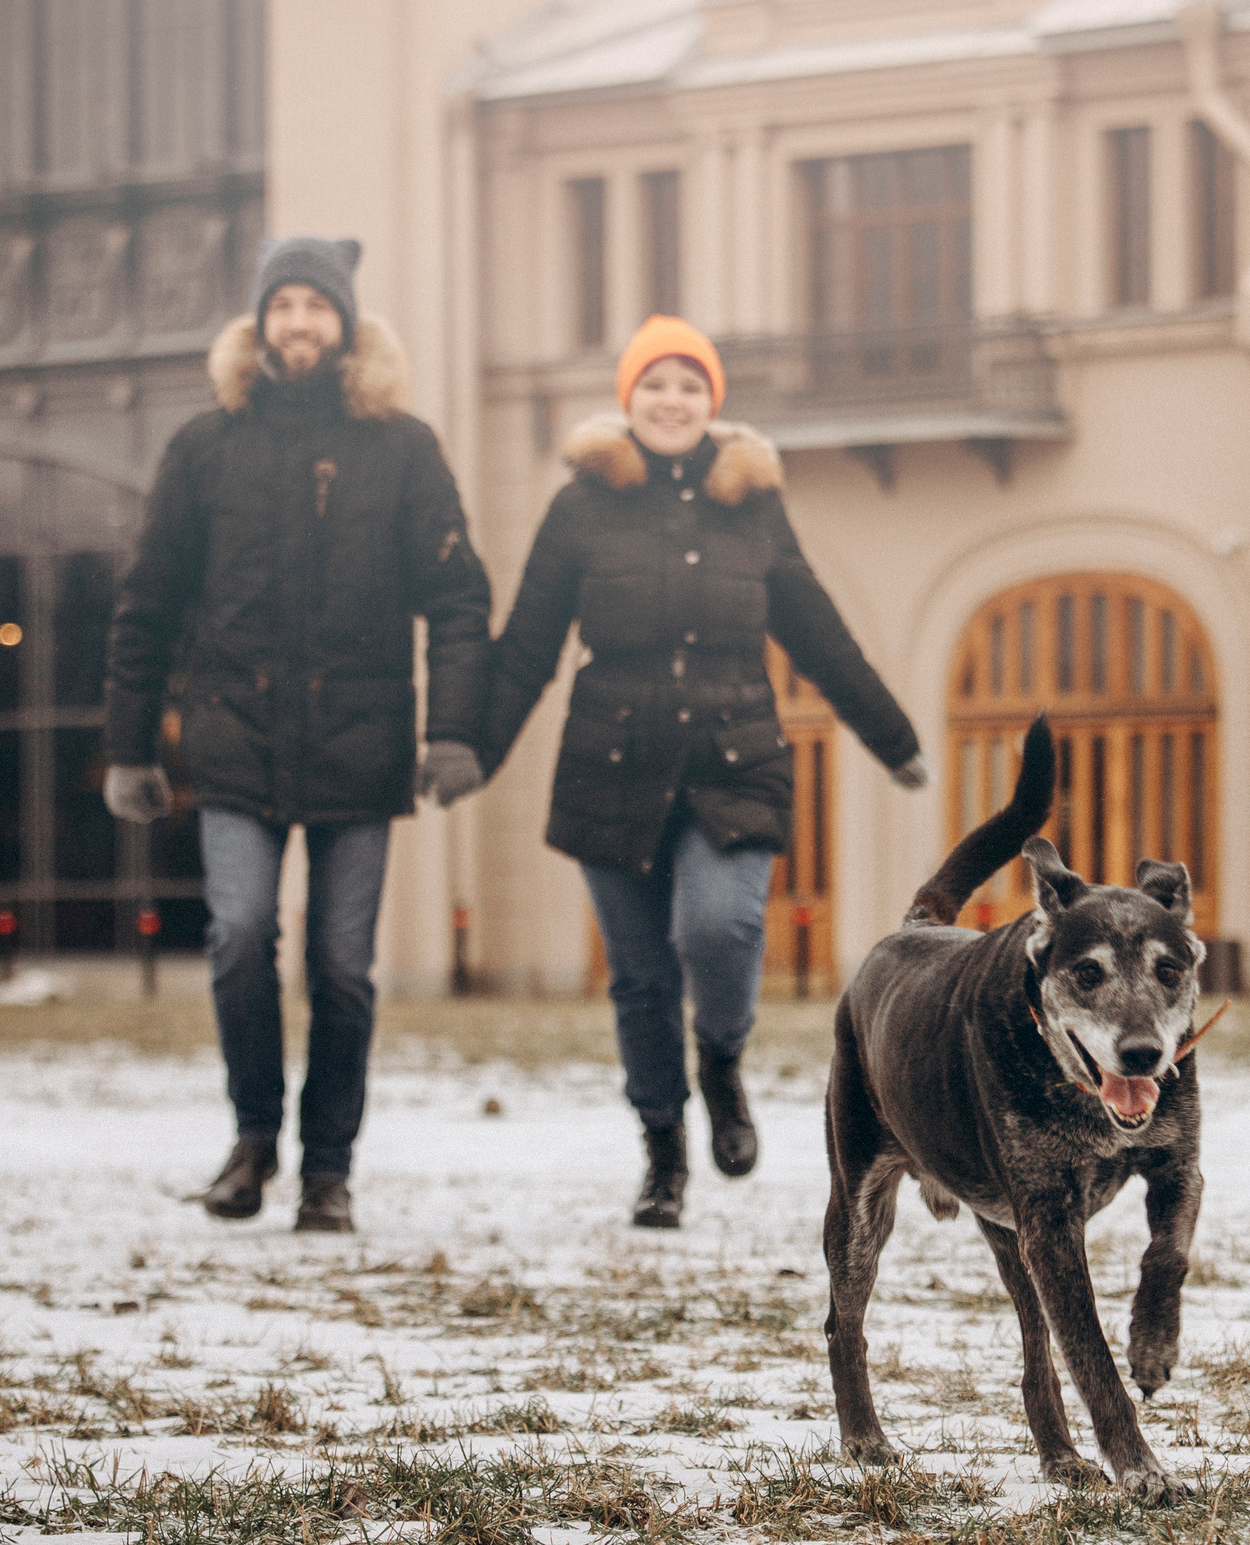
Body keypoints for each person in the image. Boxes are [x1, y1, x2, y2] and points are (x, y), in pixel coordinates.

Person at [484, 315, 926, 1230]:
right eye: (656, 384)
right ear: (629, 399)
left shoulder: (752, 504)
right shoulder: (580, 507)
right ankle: (663, 1154)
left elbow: (817, 629)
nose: (672, 400)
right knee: (640, 978)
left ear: (712, 404)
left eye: (690, 385)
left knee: (719, 929)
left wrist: (893, 736)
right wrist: (469, 745)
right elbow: (527, 641)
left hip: (735, 762)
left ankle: (721, 1059)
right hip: (612, 766)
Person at [102, 235, 492, 1234]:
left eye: (318, 308)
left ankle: (328, 1170)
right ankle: (251, 1141)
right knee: (238, 939)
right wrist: (130, 745)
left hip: (360, 749)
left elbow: (455, 596)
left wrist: (453, 731)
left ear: (346, 324)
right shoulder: (205, 447)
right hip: (235, 742)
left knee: (342, 967)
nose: (300, 325)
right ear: (260, 323)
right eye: (284, 308)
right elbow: (146, 603)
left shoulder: (402, 448)